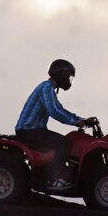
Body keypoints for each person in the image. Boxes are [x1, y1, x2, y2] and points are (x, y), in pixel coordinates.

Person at [14, 59, 91, 190]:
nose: (70, 80)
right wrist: (75, 122)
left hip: (34, 130)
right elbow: (54, 111)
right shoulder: (46, 88)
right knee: (65, 143)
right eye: (69, 77)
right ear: (61, 75)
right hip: (29, 131)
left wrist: (81, 119)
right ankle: (55, 178)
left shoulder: (48, 88)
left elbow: (59, 109)